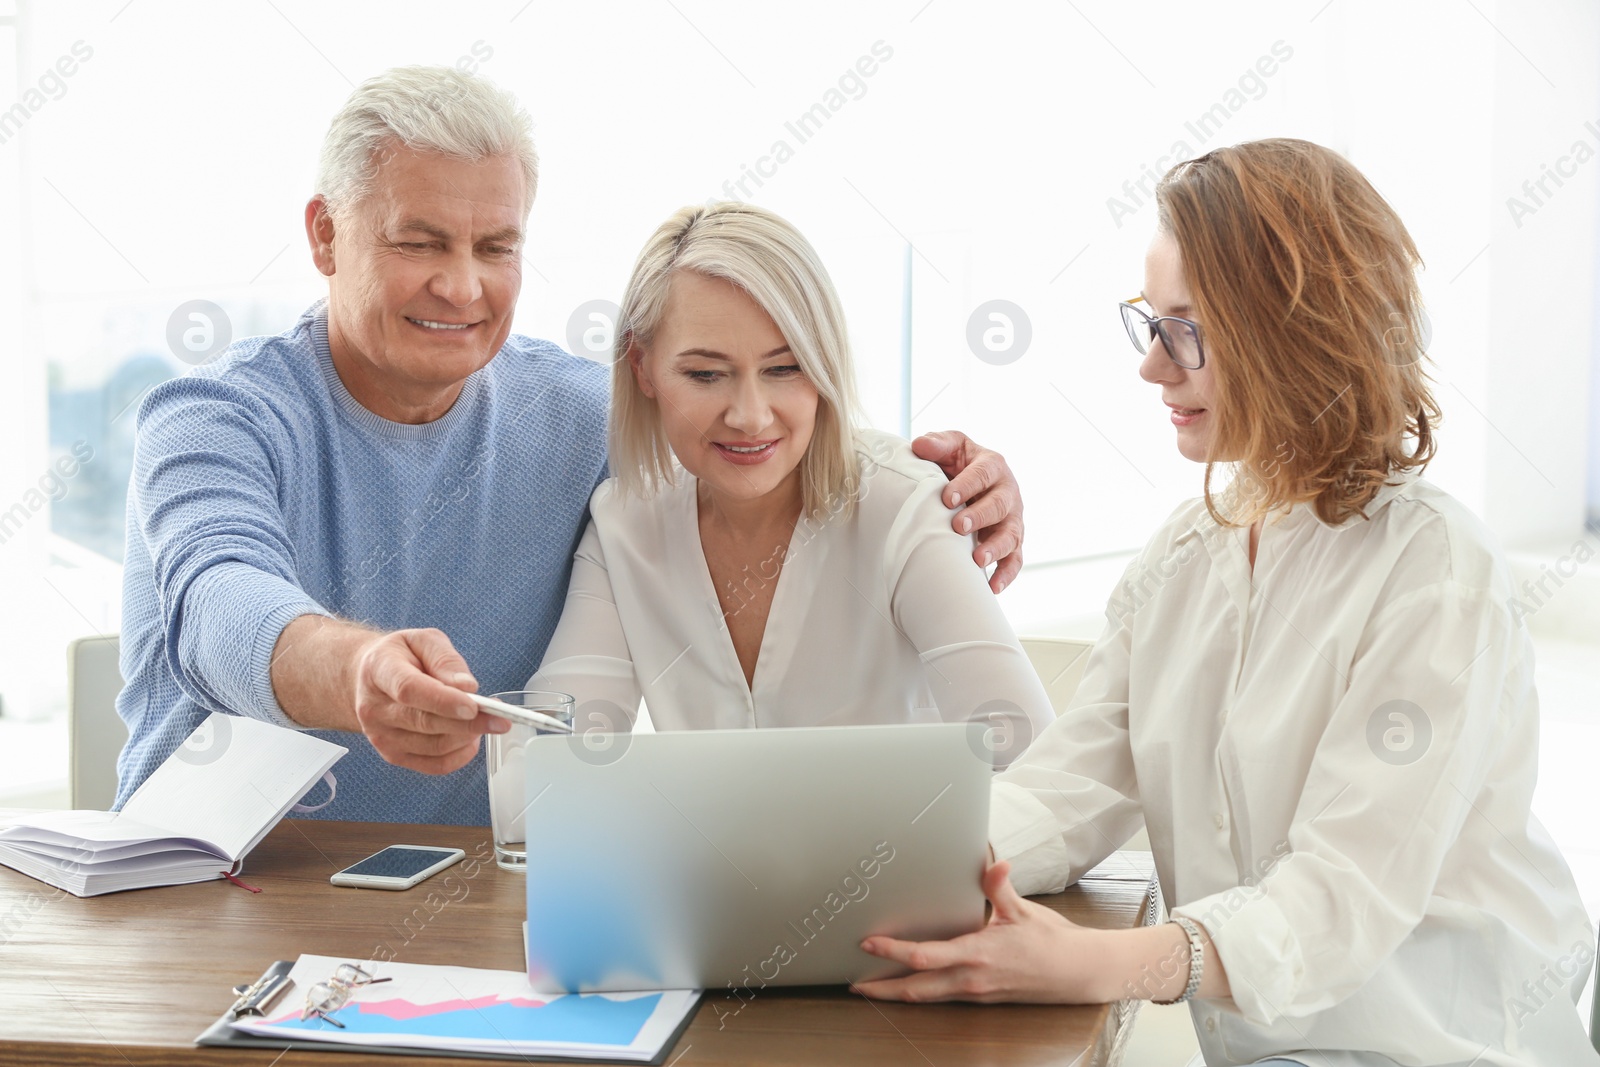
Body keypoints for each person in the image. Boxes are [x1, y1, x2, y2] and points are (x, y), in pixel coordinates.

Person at [112, 66, 1027, 824]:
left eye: (496, 246)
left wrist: (958, 484)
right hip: (208, 891)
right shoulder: (210, 416)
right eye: (420, 240)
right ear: (325, 235)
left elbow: (755, 429)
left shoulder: (583, 421)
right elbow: (218, 603)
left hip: (467, 906)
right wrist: (359, 668)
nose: (463, 284)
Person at [855, 139, 1600, 1065]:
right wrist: (867, 868)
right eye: (1150, 323)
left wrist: (1095, 962)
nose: (1153, 369)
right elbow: (1072, 784)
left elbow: (1337, 898)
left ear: (1299, 329)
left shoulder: (1437, 569)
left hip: (1440, 1046)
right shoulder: (1183, 554)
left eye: (1188, 330)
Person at [527, 203, 1053, 763]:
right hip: (701, 855)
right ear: (643, 369)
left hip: (900, 854)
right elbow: (553, 756)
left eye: (784, 368)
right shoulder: (624, 524)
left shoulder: (906, 507)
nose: (750, 417)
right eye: (705, 374)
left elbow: (1029, 757)